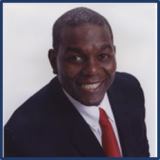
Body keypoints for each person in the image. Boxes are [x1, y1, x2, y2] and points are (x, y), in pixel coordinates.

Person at [4, 7, 150, 157]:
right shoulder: (22, 136)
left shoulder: (130, 89)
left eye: (103, 56)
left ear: (114, 53)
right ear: (54, 61)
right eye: (75, 58)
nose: (92, 70)